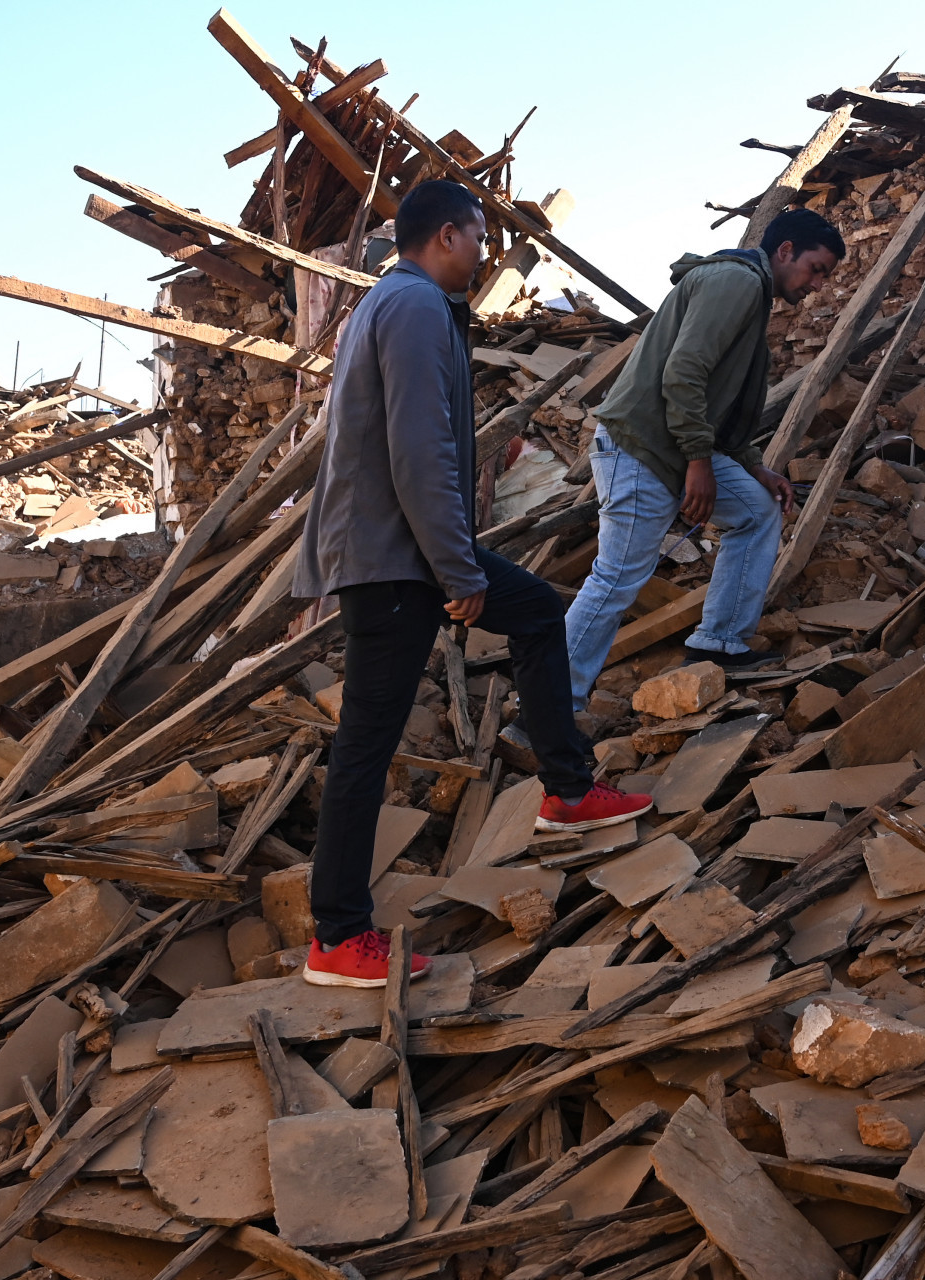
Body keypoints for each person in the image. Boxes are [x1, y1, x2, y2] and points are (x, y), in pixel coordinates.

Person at [292, 180, 654, 989]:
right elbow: (419, 453)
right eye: (481, 236)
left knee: (536, 614)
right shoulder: (414, 307)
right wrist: (456, 571)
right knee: (366, 743)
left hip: (401, 550)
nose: (487, 253)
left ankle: (566, 790)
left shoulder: (396, 304)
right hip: (395, 559)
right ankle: (338, 935)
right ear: (448, 235)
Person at [564, 209, 846, 709]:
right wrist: (699, 461)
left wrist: (752, 465)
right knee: (617, 579)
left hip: (675, 445)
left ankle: (717, 641)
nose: (818, 284)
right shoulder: (736, 282)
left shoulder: (752, 292)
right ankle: (550, 704)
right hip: (644, 448)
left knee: (757, 511)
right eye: (817, 268)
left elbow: (724, 399)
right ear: (785, 251)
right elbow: (684, 373)